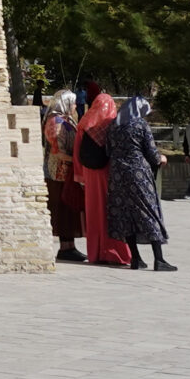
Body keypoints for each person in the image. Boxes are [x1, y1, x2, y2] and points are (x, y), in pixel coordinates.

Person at [106, 95, 177, 271]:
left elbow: (108, 150)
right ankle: (159, 259)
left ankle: (135, 259)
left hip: (117, 175)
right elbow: (152, 154)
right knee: (148, 212)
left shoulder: (113, 126)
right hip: (138, 173)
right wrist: (161, 158)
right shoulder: (140, 124)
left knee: (126, 214)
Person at [74, 83, 133, 268]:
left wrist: (80, 174)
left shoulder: (84, 123)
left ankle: (96, 252)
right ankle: (117, 253)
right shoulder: (113, 124)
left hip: (90, 175)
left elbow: (77, 152)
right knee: (112, 212)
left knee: (94, 213)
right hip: (109, 173)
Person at [42, 90, 86, 262]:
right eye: (73, 102)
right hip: (58, 173)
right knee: (62, 209)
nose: (75, 106)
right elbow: (58, 151)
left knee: (68, 209)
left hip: (67, 171)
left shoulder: (65, 119)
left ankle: (70, 246)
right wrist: (75, 161)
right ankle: (65, 247)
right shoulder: (56, 121)